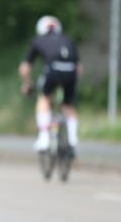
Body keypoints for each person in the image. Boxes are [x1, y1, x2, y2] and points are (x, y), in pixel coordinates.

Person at [18, 15, 82, 153]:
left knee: (44, 98)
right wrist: (72, 84)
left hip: (53, 71)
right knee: (68, 105)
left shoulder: (38, 40)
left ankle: (44, 138)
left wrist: (27, 83)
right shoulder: (68, 40)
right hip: (71, 72)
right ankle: (73, 140)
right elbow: (79, 68)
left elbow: (24, 68)